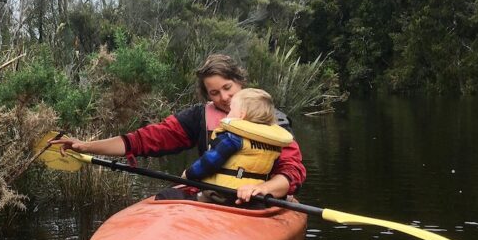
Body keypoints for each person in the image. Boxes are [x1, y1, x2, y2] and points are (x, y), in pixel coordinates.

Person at [50, 54, 306, 204]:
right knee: (163, 198)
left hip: (258, 201)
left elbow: (291, 171)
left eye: (228, 88)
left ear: (240, 82)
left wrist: (264, 189)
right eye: (214, 93)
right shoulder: (198, 117)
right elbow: (144, 140)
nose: (224, 98)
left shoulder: (272, 122)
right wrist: (86, 145)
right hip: (209, 198)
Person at [183, 87, 293, 205]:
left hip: (220, 195)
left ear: (241, 115)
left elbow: (210, 162)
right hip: (252, 197)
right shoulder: (273, 144)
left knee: (170, 195)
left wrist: (189, 174)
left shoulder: (232, 138)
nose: (228, 114)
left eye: (230, 110)